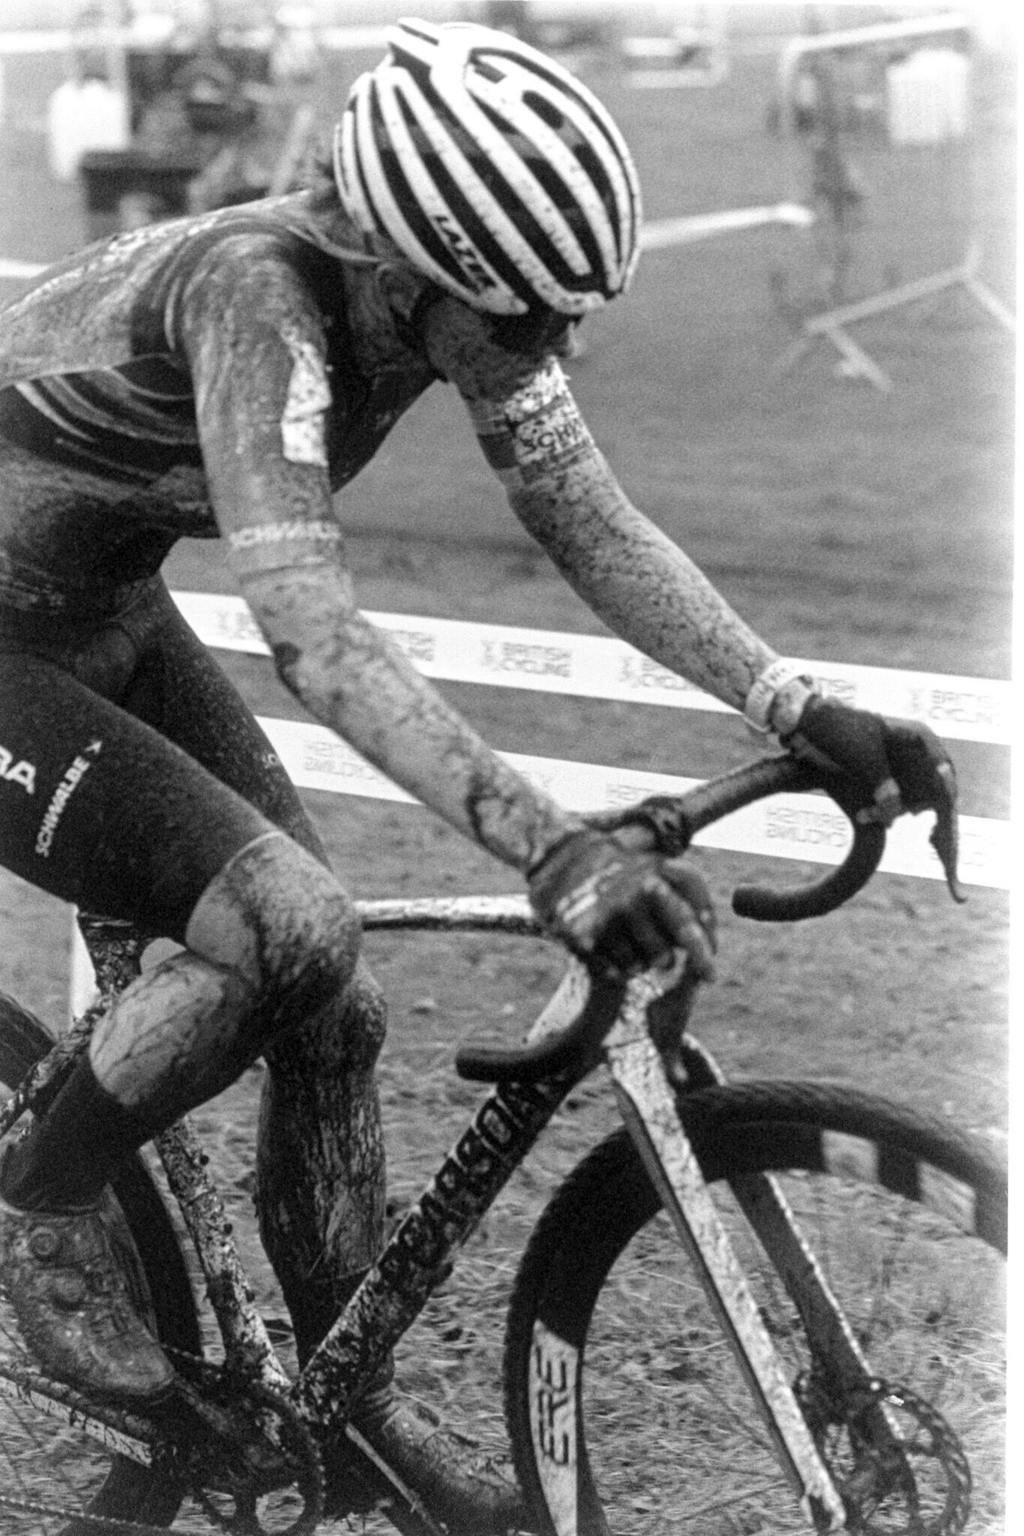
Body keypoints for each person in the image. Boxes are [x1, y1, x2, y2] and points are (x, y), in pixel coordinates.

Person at [0, 16, 955, 1516]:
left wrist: (792, 698)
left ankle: (350, 1404)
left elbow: (588, 516)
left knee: (335, 1001)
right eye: (523, 326)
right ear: (404, 275)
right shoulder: (259, 298)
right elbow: (313, 633)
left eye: (567, 319)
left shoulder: (431, 298)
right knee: (284, 928)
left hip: (94, 605)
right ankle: (44, 1206)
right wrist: (554, 849)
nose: (549, 353)